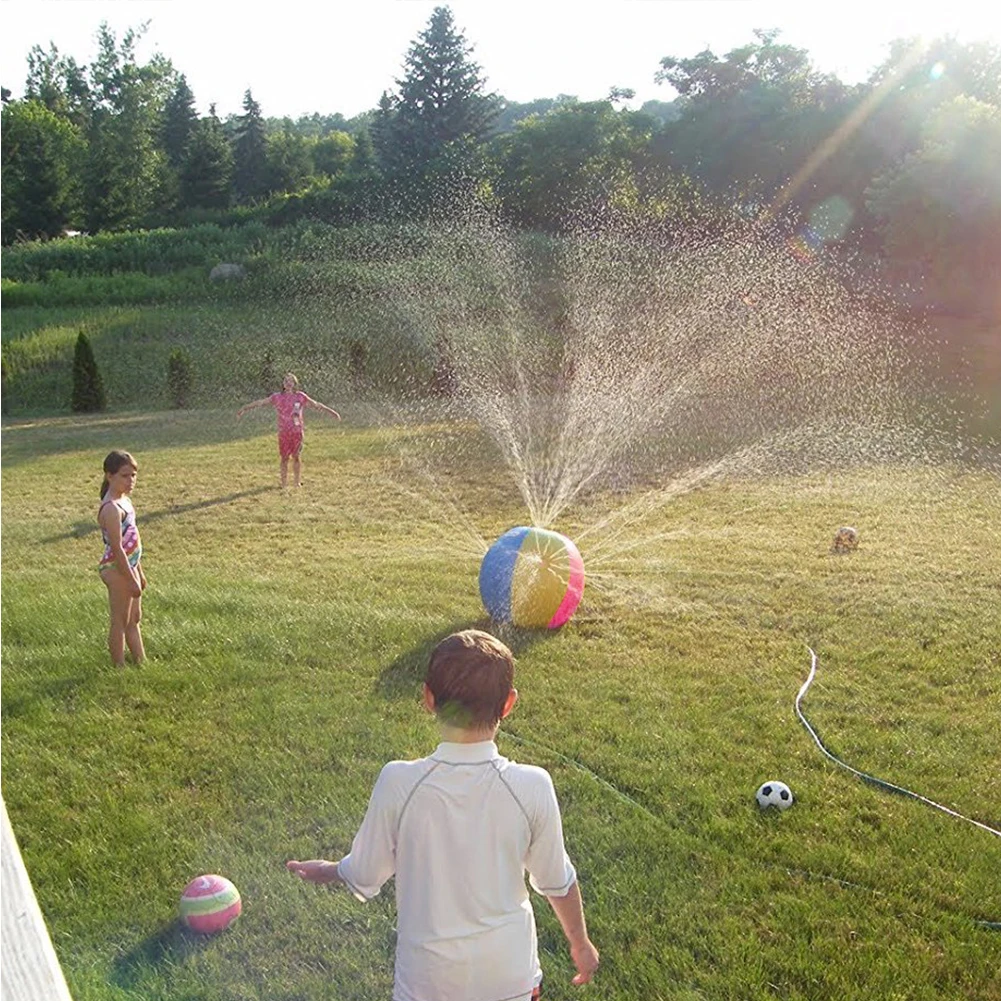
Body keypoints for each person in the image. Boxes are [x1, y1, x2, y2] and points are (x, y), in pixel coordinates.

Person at [286, 629, 599, 1001]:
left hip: (427, 984)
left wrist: (334, 869)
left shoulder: (398, 782)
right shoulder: (532, 785)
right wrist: (579, 942)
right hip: (510, 980)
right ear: (508, 704)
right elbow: (556, 880)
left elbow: (367, 872)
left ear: (428, 699)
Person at [236, 373, 341, 488]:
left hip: (297, 432)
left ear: (295, 384)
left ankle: (297, 482)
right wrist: (244, 408)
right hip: (284, 432)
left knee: (296, 456)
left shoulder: (300, 396)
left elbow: (316, 405)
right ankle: (284, 483)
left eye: (291, 381)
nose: (288, 383)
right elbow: (260, 403)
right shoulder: (277, 397)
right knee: (284, 458)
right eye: (286, 381)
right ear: (283, 384)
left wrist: (332, 412)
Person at [97, 450, 145, 666]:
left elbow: (131, 542)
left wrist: (139, 572)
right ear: (109, 476)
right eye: (125, 476)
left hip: (129, 565)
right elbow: (117, 548)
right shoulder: (111, 509)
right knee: (120, 620)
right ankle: (119, 668)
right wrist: (130, 579)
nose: (131, 481)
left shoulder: (125, 500)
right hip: (116, 568)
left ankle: (141, 662)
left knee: (134, 619)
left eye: (133, 475)